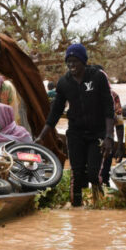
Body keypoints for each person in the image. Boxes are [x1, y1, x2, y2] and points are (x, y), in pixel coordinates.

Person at [36, 44, 114, 206]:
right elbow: (55, 112)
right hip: (76, 134)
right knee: (76, 174)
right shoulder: (64, 83)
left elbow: (109, 108)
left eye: (75, 61)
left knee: (93, 174)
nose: (71, 65)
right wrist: (42, 136)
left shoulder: (98, 77)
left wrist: (108, 136)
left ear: (83, 61)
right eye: (68, 62)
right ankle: (76, 212)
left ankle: (99, 201)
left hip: (97, 133)